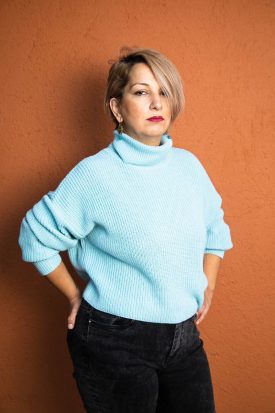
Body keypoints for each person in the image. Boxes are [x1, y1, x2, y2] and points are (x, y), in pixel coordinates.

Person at [18, 47, 233, 413]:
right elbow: (33, 236)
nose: (156, 102)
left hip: (183, 335)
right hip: (114, 339)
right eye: (141, 91)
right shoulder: (96, 174)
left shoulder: (189, 167)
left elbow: (216, 227)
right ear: (117, 108)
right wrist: (74, 296)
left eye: (163, 92)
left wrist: (207, 283)